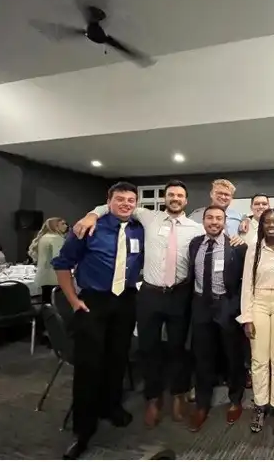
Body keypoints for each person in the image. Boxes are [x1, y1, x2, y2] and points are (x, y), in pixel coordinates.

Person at [74, 180, 202, 427]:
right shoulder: (148, 217)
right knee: (149, 348)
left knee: (179, 349)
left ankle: (178, 395)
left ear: (186, 201)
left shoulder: (195, 228)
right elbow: (114, 205)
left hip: (180, 295)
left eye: (180, 195)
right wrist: (92, 215)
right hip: (150, 295)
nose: (175, 198)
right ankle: (153, 399)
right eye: (171, 194)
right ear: (165, 198)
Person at [52, 182, 144, 460]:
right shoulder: (88, 227)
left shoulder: (141, 228)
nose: (126, 204)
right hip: (94, 301)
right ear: (109, 201)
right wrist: (72, 300)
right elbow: (62, 264)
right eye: (120, 199)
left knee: (118, 358)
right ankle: (83, 429)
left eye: (130, 200)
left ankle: (111, 406)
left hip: (126, 299)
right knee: (89, 365)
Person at [188, 206, 248, 432]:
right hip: (201, 305)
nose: (214, 222)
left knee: (233, 355)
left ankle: (235, 399)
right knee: (202, 357)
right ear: (203, 220)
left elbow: (245, 281)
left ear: (225, 221)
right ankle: (202, 404)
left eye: (218, 218)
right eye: (210, 218)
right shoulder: (195, 244)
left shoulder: (236, 246)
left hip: (227, 305)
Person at [239, 208, 274, 437]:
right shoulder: (253, 250)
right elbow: (247, 286)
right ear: (261, 225)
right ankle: (260, 404)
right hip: (259, 303)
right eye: (267, 222)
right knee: (259, 358)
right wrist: (247, 317)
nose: (272, 225)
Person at [28, 217, 68, 303]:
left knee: (46, 301)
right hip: (54, 276)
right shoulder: (56, 238)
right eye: (63, 224)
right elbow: (58, 258)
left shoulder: (43, 237)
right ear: (55, 226)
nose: (66, 226)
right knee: (56, 304)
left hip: (43, 275)